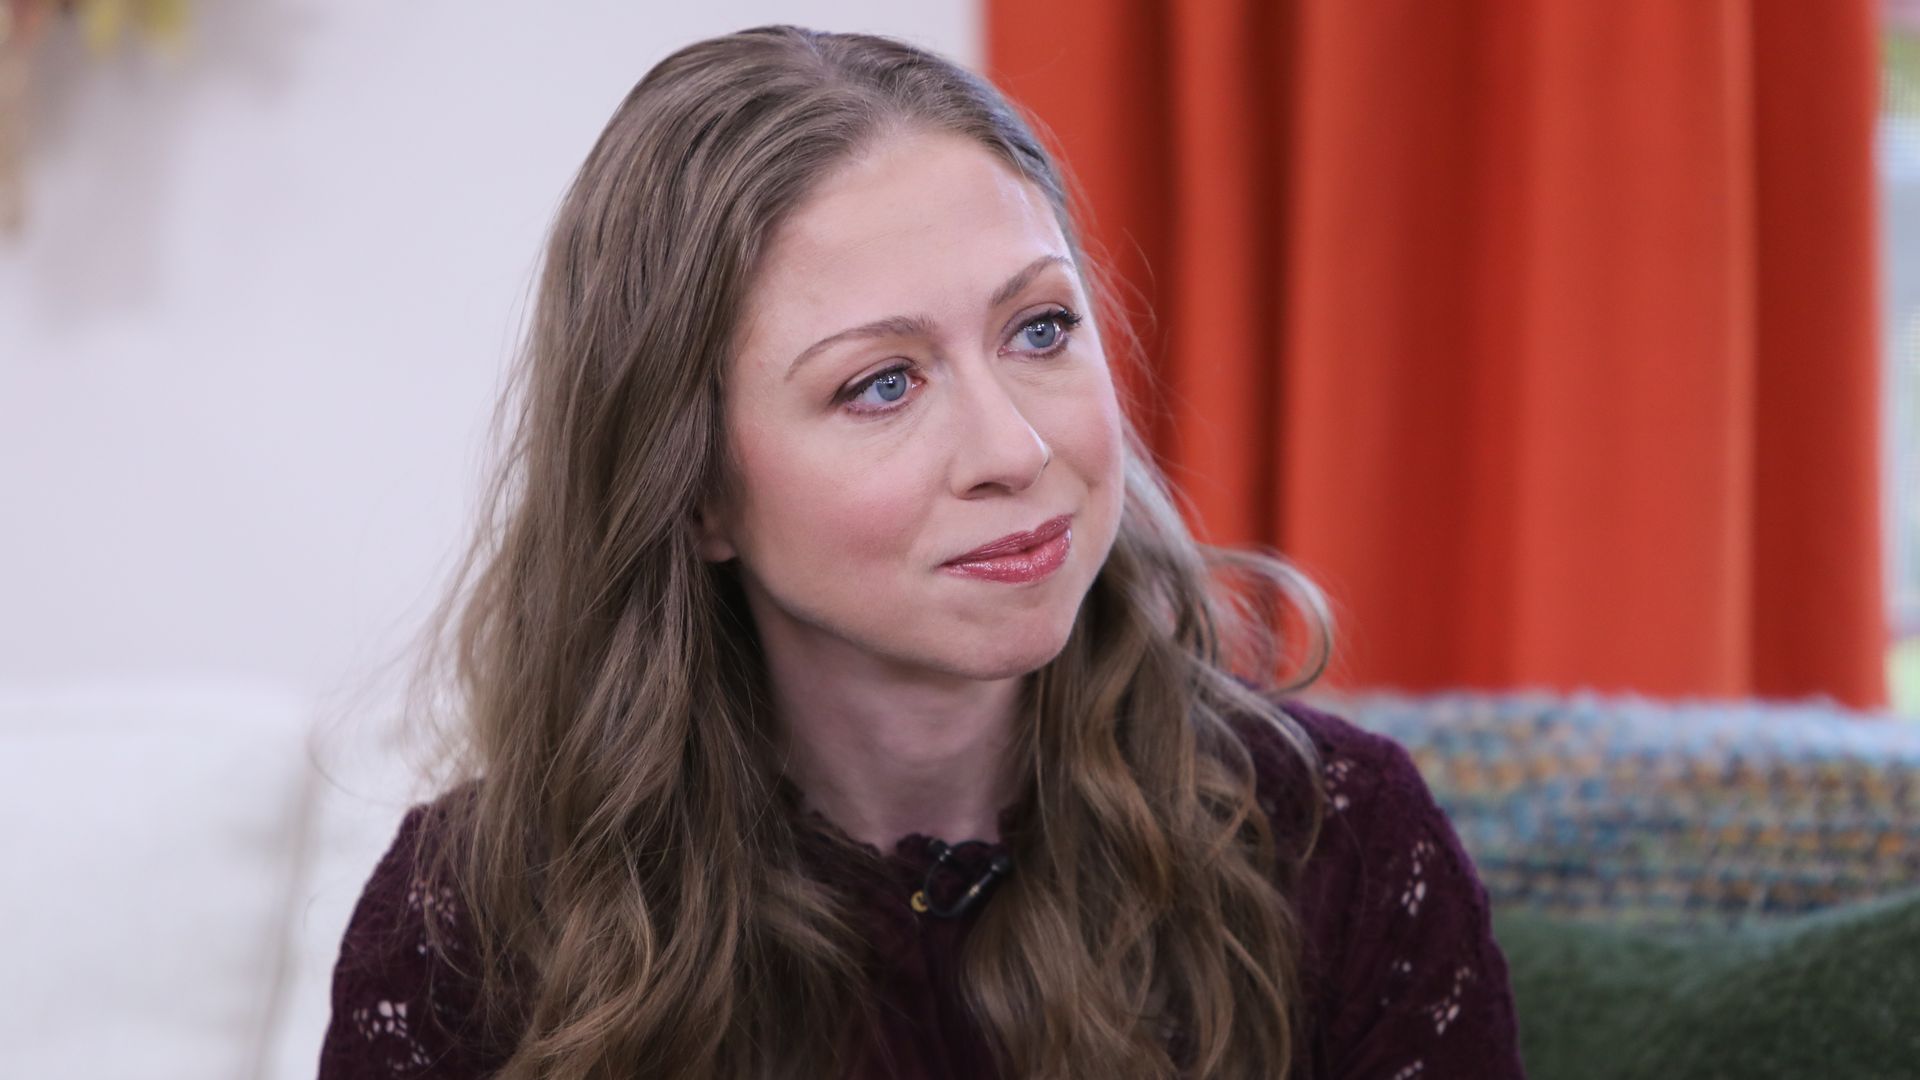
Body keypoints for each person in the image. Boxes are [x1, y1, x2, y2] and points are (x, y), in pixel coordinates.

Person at [318, 24, 1524, 1080]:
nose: (1013, 446)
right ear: (694, 497)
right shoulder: (466, 929)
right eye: (881, 383)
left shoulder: (1341, 844)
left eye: (1041, 327)